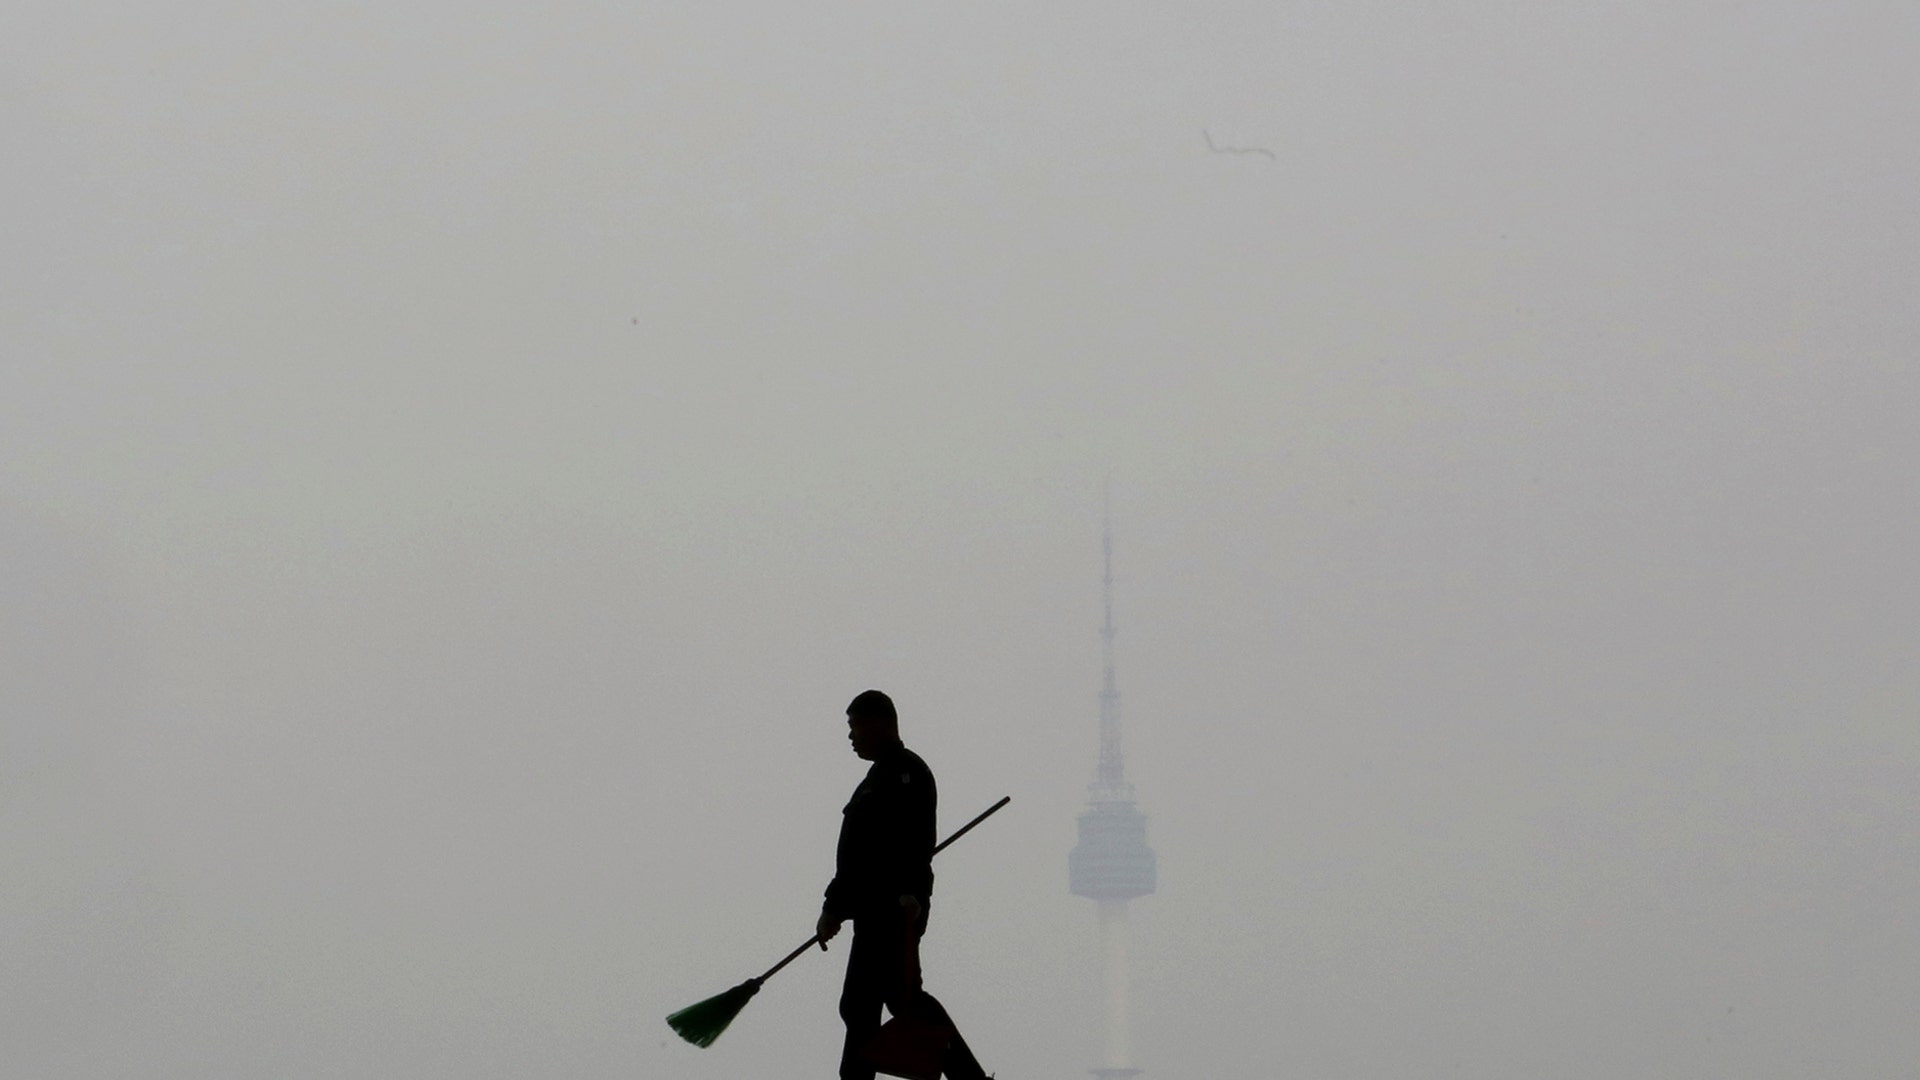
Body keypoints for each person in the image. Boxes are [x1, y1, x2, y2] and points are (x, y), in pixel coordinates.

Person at [816, 690, 991, 1080]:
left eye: (855, 726)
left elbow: (913, 843)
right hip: (872, 909)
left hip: (893, 908)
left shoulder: (907, 774)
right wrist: (835, 908)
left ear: (879, 723)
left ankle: (970, 1078)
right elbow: (857, 861)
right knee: (884, 1002)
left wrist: (913, 893)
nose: (851, 736)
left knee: (876, 1003)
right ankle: (970, 1078)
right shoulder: (876, 779)